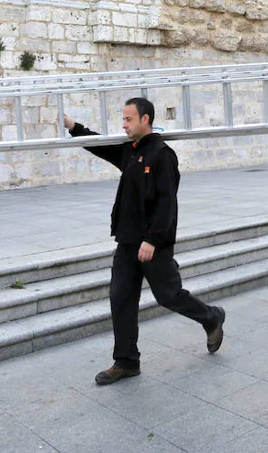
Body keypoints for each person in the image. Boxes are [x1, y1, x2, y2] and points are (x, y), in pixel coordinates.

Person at [64, 97, 226, 385]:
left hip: (154, 245)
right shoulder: (130, 151)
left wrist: (152, 240)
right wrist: (74, 127)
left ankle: (211, 317)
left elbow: (167, 204)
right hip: (127, 243)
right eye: (123, 119)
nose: (123, 125)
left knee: (169, 296)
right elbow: (101, 145)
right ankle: (126, 361)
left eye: (128, 119)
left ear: (145, 119)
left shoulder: (162, 155)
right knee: (121, 298)